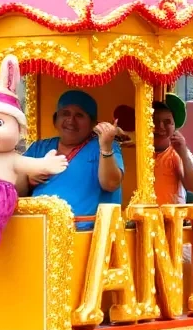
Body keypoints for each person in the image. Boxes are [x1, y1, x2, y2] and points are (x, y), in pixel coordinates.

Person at [22, 90, 122, 228]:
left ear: (93, 123)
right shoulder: (39, 147)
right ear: (55, 120)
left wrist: (105, 147)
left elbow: (111, 184)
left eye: (79, 115)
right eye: (65, 113)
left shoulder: (103, 146)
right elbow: (10, 185)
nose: (71, 121)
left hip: (85, 235)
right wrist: (27, 178)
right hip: (37, 231)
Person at [152, 98, 193, 205]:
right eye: (154, 122)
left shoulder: (177, 152)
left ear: (174, 127)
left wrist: (183, 153)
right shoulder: (138, 151)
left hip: (172, 219)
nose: (160, 127)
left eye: (167, 122)